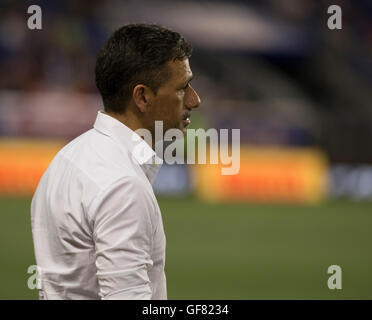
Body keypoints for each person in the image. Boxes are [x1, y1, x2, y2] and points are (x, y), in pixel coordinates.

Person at [31, 23, 201, 300]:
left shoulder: (67, 157)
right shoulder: (123, 184)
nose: (195, 100)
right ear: (143, 97)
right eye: (183, 88)